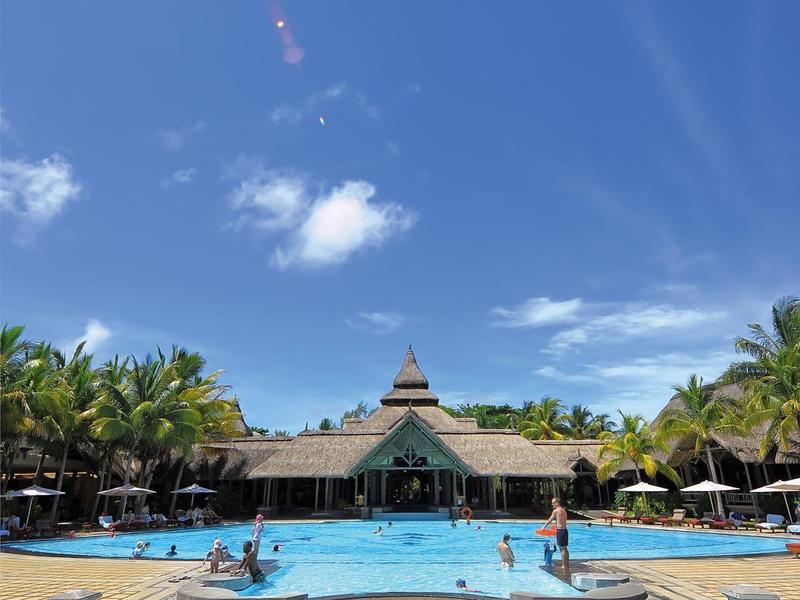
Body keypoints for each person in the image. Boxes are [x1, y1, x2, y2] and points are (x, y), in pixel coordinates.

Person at [543, 497, 569, 571]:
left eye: (553, 503)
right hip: (565, 530)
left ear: (557, 503)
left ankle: (564, 565)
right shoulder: (563, 510)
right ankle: (566, 564)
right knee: (565, 548)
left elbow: (550, 520)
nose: (552, 504)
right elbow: (561, 521)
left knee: (562, 548)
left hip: (560, 531)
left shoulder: (556, 511)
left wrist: (543, 527)